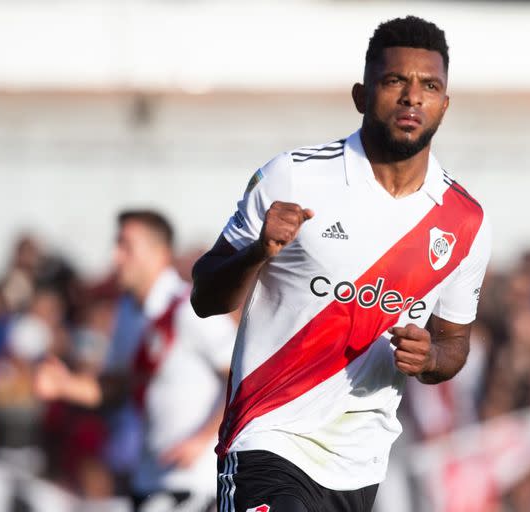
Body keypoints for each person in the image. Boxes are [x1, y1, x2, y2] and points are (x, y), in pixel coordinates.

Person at [191, 16, 492, 512]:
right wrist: (257, 251)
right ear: (362, 94)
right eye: (395, 81)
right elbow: (206, 296)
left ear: (445, 103)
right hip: (269, 438)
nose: (412, 97)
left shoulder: (464, 220)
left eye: (429, 85)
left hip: (360, 464)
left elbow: (454, 340)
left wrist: (432, 358)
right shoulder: (292, 177)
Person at [35, 210, 236, 511]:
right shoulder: (128, 313)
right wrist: (66, 386)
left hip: (193, 483)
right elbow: (117, 387)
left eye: (126, 245)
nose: (116, 256)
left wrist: (205, 439)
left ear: (160, 253)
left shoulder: (190, 309)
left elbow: (243, 376)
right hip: (147, 480)